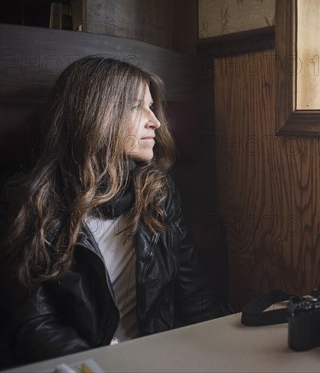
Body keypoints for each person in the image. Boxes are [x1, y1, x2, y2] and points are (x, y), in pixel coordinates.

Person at [0, 56, 226, 366]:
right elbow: (35, 324)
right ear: (95, 115)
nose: (155, 121)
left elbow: (194, 290)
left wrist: (220, 357)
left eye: (151, 106)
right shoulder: (31, 202)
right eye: (136, 107)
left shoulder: (158, 191)